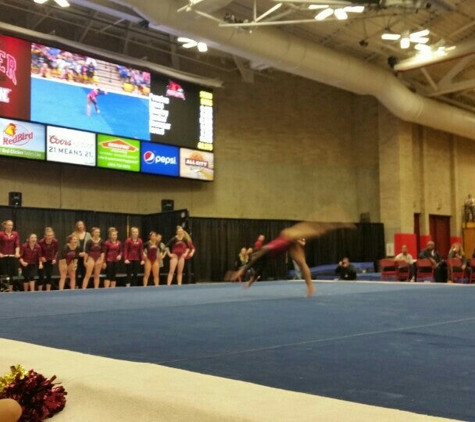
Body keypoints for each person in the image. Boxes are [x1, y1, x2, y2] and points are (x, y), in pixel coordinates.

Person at [233, 222, 355, 297]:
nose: (254, 257)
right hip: (288, 245)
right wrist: (249, 283)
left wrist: (242, 270)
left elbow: (256, 258)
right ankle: (310, 286)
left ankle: (338, 224)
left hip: (288, 235)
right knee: (302, 263)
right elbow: (259, 270)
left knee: (314, 231)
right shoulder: (265, 257)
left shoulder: (265, 249)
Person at [0, 220, 21, 292]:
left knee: (11, 273)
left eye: (11, 225)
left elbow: (17, 244)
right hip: (3, 256)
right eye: (9, 225)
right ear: (5, 226)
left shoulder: (15, 234)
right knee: (4, 273)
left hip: (12, 256)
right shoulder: (1, 234)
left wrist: (17, 252)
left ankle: (10, 290)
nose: (10, 227)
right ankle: (3, 288)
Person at [38, 227, 59, 291]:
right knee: (41, 275)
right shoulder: (41, 242)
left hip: (50, 260)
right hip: (42, 260)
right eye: (48, 235)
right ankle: (39, 291)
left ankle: (48, 291)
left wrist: (55, 259)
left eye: (51, 235)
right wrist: (41, 257)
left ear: (53, 236)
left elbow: (56, 251)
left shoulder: (55, 241)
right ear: (45, 236)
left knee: (49, 275)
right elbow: (39, 252)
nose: (49, 237)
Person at [72, 221, 91, 289]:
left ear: (84, 226)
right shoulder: (74, 234)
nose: (80, 226)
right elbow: (72, 245)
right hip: (76, 255)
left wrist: (85, 253)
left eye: (82, 225)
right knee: (75, 271)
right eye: (79, 225)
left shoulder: (88, 234)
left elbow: (90, 245)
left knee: (84, 271)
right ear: (77, 226)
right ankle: (76, 286)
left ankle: (84, 286)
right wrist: (78, 253)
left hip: (85, 255)